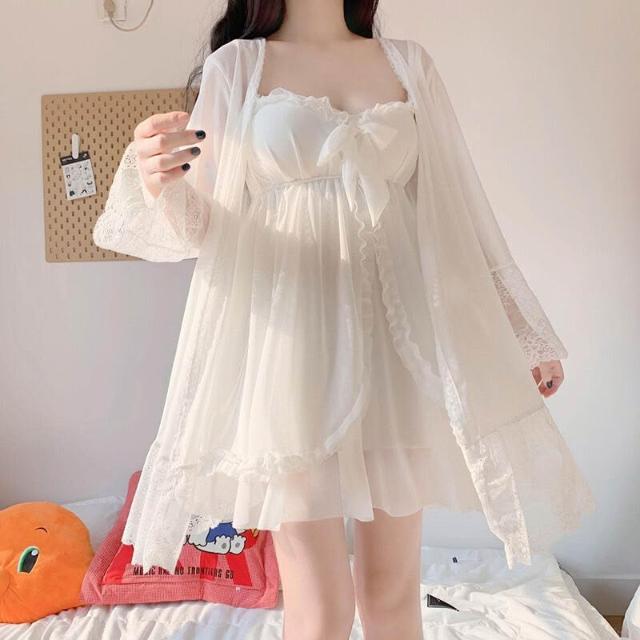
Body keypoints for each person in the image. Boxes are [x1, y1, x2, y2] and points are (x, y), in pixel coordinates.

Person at [93, 2, 595, 638]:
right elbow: (206, 230)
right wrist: (159, 183)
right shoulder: (238, 67)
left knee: (391, 592)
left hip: (398, 354)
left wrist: (521, 334)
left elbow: (457, 215)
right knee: (320, 603)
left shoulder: (409, 65)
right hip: (289, 354)